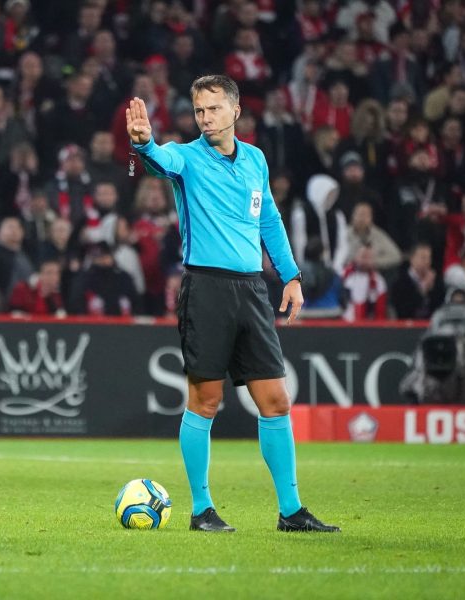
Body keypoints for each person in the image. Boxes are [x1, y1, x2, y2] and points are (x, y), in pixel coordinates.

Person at [127, 75, 339, 533]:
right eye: (199, 110)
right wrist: (144, 145)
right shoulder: (186, 157)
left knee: (276, 401)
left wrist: (292, 277)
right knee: (205, 400)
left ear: (235, 110)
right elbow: (160, 160)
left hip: (252, 291)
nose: (205, 118)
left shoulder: (256, 160)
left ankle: (291, 511)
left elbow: (270, 221)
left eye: (214, 109)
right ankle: (202, 510)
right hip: (205, 290)